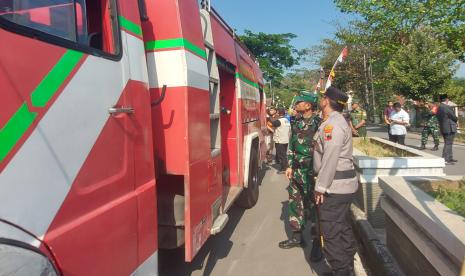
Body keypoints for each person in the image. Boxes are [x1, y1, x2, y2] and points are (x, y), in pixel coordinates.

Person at [313, 87, 358, 275]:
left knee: (331, 233)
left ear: (326, 101)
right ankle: (347, 267)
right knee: (342, 228)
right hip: (342, 185)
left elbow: (330, 158)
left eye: (323, 97)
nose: (320, 100)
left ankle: (341, 271)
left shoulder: (333, 125)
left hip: (334, 187)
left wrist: (320, 187)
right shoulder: (336, 122)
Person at [280, 92, 323, 263]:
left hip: (312, 173)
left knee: (314, 208)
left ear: (308, 105)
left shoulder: (319, 123)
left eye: (299, 102)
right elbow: (291, 145)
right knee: (295, 203)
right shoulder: (296, 121)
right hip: (297, 171)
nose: (296, 104)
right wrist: (289, 165)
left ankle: (317, 245)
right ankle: (297, 237)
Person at [437, 94, 458, 165]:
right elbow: (454, 117)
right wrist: (456, 120)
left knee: (448, 143)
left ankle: (449, 158)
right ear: (446, 99)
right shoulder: (447, 107)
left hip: (443, 127)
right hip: (449, 127)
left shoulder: (439, 107)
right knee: (448, 143)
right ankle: (446, 159)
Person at [271, 108, 291, 172]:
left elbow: (272, 124)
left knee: (282, 155)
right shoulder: (287, 120)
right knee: (283, 154)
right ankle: (284, 166)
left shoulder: (279, 121)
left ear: (278, 113)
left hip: (280, 140)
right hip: (286, 140)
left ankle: (284, 169)